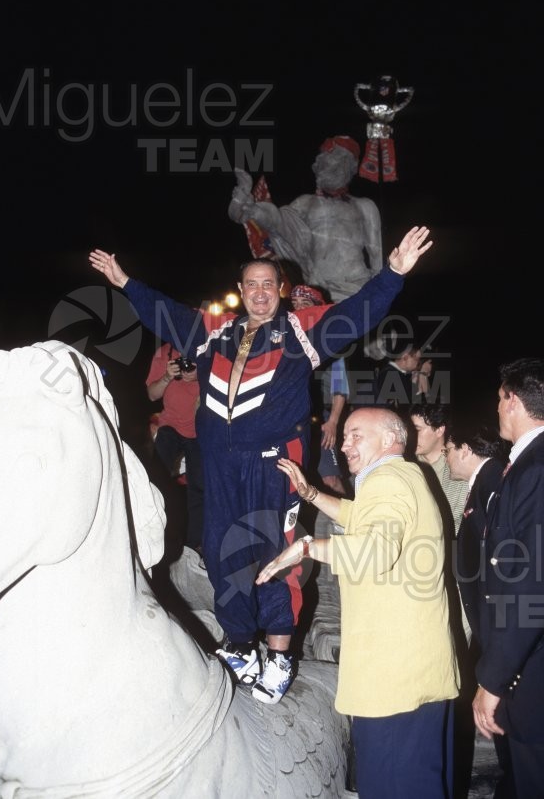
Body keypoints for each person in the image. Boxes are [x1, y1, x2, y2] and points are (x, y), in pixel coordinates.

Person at [89, 224, 432, 705]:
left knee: (277, 553)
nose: (260, 292)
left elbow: (357, 314)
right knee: (223, 551)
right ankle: (240, 645)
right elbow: (163, 314)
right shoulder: (212, 333)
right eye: (251, 284)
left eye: (269, 284)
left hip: (276, 465)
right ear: (240, 291)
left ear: (281, 291)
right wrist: (126, 283)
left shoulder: (301, 329)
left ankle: (280, 653)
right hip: (222, 466)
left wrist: (393, 272)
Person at [256, 407, 459, 798]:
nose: (343, 444)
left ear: (389, 439)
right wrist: (312, 494)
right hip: (416, 678)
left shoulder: (387, 483)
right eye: (345, 435)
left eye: (355, 435)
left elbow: (377, 550)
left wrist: (306, 547)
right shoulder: (404, 475)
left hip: (395, 686)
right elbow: (362, 517)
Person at [472, 358, 544, 798]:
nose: (497, 409)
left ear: (512, 400)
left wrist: (494, 679)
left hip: (531, 677)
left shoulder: (536, 470)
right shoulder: (526, 466)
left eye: (500, 399)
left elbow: (530, 585)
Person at [445, 421, 515, 798]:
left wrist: (497, 653)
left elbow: (501, 571)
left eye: (449, 450)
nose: (446, 458)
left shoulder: (491, 486)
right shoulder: (484, 485)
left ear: (467, 450)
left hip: (498, 632)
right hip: (493, 631)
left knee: (514, 745)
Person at [228, 135, 383, 303]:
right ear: (319, 166)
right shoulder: (305, 203)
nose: (333, 165)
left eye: (340, 160)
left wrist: (380, 293)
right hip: (319, 290)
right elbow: (278, 222)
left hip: (358, 288)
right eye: (328, 159)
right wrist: (250, 207)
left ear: (350, 167)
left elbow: (376, 256)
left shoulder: (365, 206)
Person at [290, 284, 349, 494]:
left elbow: (340, 386)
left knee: (330, 479)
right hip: (291, 420)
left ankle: (352, 524)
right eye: (294, 305)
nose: (298, 310)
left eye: (304, 304)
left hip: (320, 419)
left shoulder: (329, 341)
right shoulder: (286, 339)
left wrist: (333, 422)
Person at [146, 341, 204, 552]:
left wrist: (201, 374)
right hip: (170, 425)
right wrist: (168, 375)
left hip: (200, 428)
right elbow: (152, 394)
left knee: (200, 488)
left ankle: (193, 543)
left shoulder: (211, 347)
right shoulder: (164, 353)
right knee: (156, 482)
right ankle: (152, 533)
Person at [410, 404, 469, 536]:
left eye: (417, 430)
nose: (411, 436)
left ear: (439, 430)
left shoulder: (460, 467)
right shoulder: (406, 465)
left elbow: (461, 523)